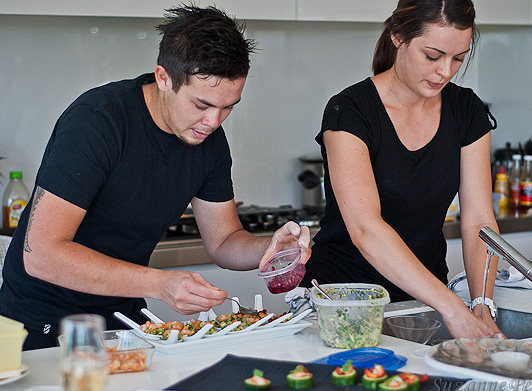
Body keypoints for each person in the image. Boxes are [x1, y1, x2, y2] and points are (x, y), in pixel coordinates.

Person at [0, 5, 310, 350]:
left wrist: (268, 249)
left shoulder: (207, 141)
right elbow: (42, 254)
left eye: (228, 107)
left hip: (123, 317)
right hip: (42, 321)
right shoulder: (97, 122)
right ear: (163, 78)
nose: (214, 121)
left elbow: (224, 242)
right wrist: (160, 284)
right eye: (201, 105)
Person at [300, 0, 501, 338]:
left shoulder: (466, 111)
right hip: (342, 302)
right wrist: (452, 306)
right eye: (432, 56)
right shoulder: (350, 111)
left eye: (458, 59)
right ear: (397, 36)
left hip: (422, 305)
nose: (445, 71)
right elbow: (365, 228)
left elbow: (479, 221)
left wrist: (481, 305)